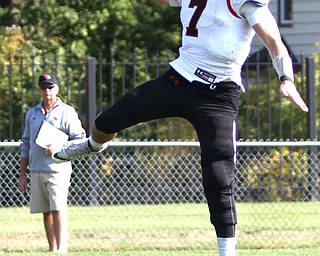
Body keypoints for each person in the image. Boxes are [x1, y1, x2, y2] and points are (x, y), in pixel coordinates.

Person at [51, 0, 308, 255]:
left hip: (218, 95)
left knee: (219, 176)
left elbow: (275, 42)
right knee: (106, 121)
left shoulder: (243, 1)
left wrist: (286, 78)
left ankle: (227, 252)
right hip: (179, 79)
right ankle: (92, 145)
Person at [18, 73, 86, 253]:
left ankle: (61, 249)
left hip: (58, 169)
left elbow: (79, 139)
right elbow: (25, 143)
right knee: (45, 210)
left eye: (50, 87)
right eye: (43, 87)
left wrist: (59, 146)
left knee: (58, 208)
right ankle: (52, 248)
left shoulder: (67, 112)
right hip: (36, 169)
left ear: (57, 89)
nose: (47, 91)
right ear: (39, 90)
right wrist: (22, 174)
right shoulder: (32, 113)